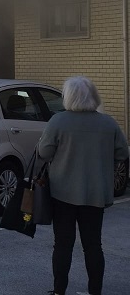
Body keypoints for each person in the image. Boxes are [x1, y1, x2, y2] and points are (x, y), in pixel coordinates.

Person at [37, 76, 128, 295]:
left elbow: (44, 152)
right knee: (94, 246)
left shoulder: (58, 121)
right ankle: (95, 291)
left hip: (62, 193)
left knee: (62, 245)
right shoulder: (108, 122)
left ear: (67, 97)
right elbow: (122, 153)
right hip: (96, 194)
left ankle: (59, 290)